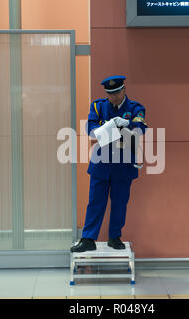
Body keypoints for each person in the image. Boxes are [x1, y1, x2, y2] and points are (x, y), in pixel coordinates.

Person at [70, 75, 148, 252]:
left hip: (123, 164)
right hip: (101, 163)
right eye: (109, 93)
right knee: (95, 201)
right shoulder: (98, 106)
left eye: (116, 93)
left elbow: (140, 127)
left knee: (119, 202)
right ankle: (88, 239)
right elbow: (90, 128)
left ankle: (114, 237)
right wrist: (104, 129)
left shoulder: (135, 108)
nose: (113, 97)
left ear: (124, 90)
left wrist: (127, 123)